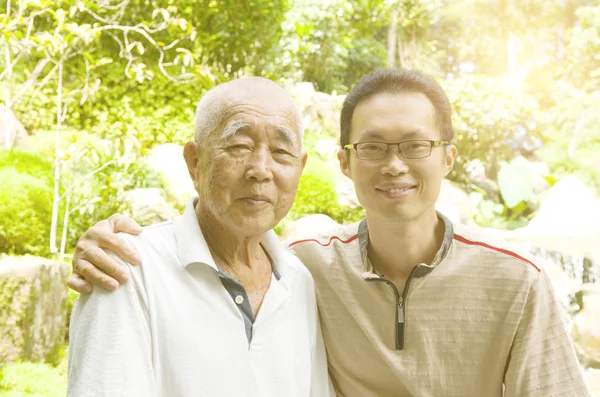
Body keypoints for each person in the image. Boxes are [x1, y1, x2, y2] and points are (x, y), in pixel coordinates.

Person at [69, 69, 590, 397]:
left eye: (415, 146)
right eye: (372, 148)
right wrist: (107, 241)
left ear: (448, 158)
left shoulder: (297, 277)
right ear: (344, 162)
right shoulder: (302, 267)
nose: (260, 170)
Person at [66, 77, 333, 397]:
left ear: (299, 168)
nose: (261, 169)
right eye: (239, 146)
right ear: (195, 162)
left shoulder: (298, 280)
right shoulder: (128, 269)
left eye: (280, 151)